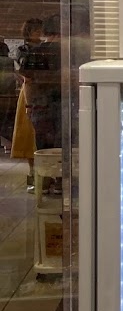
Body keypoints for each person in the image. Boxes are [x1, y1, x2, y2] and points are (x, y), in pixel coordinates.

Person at [22, 14, 61, 193]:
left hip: (41, 105)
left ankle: (44, 182)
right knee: (65, 144)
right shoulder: (72, 52)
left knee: (43, 145)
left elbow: (28, 81)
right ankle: (62, 181)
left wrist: (28, 105)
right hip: (67, 104)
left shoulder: (35, 52)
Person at [11, 17, 42, 191]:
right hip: (30, 91)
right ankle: (33, 173)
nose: (39, 33)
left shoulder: (45, 48)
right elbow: (24, 73)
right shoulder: (23, 50)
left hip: (42, 89)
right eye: (36, 30)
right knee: (29, 134)